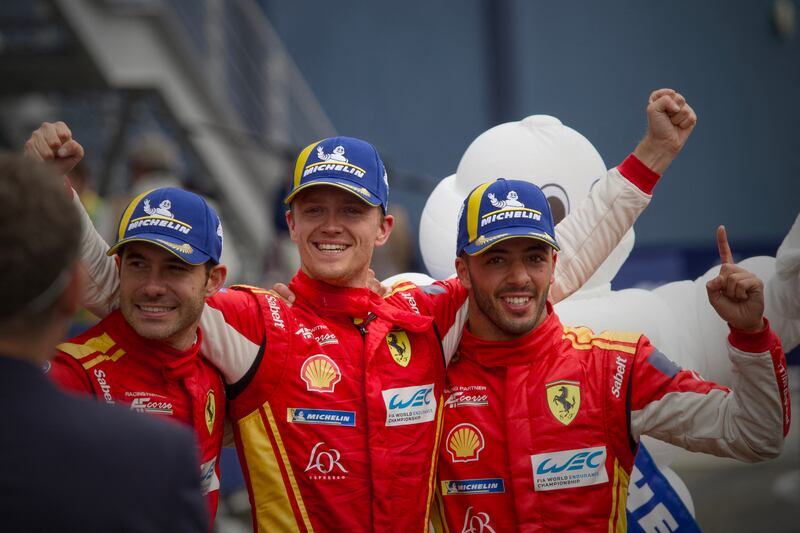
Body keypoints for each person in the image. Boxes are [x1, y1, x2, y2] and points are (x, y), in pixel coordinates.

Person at [46, 87, 695, 531]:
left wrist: (651, 159)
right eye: (316, 208)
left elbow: (544, 274)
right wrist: (56, 194)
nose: (332, 225)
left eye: (351, 208)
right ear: (291, 222)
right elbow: (132, 292)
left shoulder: (423, 313)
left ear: (383, 226)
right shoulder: (255, 322)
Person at [430, 178, 791, 531]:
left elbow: (755, 434)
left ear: (554, 265)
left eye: (535, 257)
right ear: (463, 270)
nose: (520, 277)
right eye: (496, 260)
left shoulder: (615, 367)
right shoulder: (428, 377)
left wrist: (750, 334)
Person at [0, 153, 208, 532]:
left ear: (216, 279)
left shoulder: (225, 358)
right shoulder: (71, 375)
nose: (152, 286)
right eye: (137, 264)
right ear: (77, 290)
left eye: (176, 267)